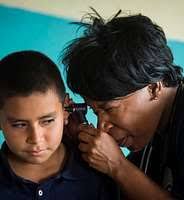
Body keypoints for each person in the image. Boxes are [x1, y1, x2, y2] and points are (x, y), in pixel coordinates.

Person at [61, 9, 184, 200]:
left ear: (153, 88)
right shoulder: (151, 131)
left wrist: (118, 166)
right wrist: (79, 143)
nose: (103, 127)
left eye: (109, 109)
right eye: (96, 112)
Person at [0, 50, 119, 200]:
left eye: (48, 121)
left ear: (65, 111)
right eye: (19, 125)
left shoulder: (98, 173)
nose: (36, 139)